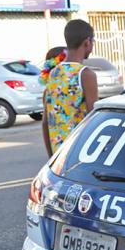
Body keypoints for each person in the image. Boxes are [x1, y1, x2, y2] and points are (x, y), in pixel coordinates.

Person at [40, 20, 98, 157]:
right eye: (93, 42)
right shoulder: (85, 74)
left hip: (59, 155)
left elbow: (45, 122)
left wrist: (51, 158)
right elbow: (94, 119)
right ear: (87, 42)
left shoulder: (53, 74)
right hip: (79, 153)